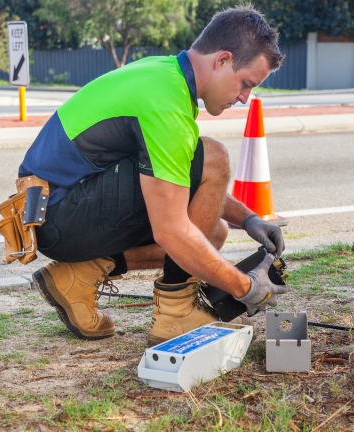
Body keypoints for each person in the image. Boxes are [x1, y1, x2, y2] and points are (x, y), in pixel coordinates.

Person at [16, 5, 289, 346]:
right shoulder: (166, 104)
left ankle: (78, 276)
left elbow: (176, 174)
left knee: (213, 230)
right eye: (246, 84)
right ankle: (175, 311)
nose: (245, 98)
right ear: (222, 60)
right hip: (59, 213)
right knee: (213, 158)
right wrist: (244, 286)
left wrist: (247, 219)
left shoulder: (164, 74)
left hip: (53, 209)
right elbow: (172, 229)